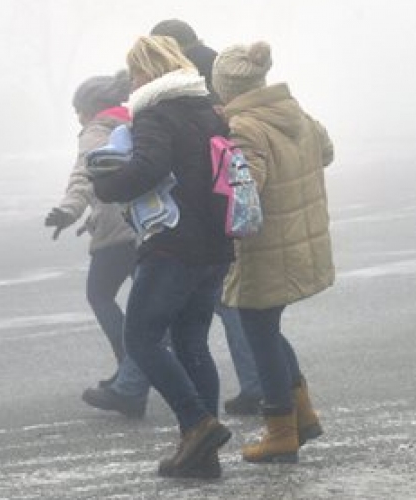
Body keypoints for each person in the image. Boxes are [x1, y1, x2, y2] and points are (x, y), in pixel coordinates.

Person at [91, 35, 233, 479]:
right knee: (191, 343)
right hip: (214, 244)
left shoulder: (154, 111)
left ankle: (197, 424)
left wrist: (107, 186)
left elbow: (149, 166)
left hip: (172, 243)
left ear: (148, 72)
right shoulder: (207, 111)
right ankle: (202, 455)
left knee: (142, 339)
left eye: (135, 72)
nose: (132, 81)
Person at [212, 41, 335, 463]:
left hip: (264, 249)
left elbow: (249, 187)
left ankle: (281, 430)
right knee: (267, 328)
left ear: (225, 87)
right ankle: (303, 415)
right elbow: (327, 151)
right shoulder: (293, 112)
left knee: (258, 331)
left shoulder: (244, 125)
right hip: (299, 238)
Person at [150, 18, 264, 415]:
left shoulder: (186, 77)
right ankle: (258, 383)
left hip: (205, 213)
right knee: (223, 305)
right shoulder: (214, 67)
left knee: (219, 308)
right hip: (220, 211)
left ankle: (253, 386)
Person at [44, 71, 150, 418]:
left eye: (78, 109)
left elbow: (86, 174)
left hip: (116, 234)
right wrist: (92, 216)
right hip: (145, 225)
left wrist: (68, 210)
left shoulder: (96, 131)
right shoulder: (135, 122)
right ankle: (131, 374)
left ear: (91, 108)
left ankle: (128, 370)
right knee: (148, 307)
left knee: (100, 295)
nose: (77, 117)